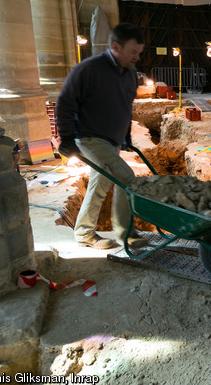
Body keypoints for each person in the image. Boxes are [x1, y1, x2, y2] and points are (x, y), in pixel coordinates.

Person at [56, 23, 148, 250]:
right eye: (133, 52)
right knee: (128, 179)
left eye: (139, 52)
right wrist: (66, 138)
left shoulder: (130, 74)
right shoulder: (88, 69)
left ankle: (84, 233)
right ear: (116, 47)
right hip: (90, 138)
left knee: (99, 186)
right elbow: (65, 103)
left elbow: (125, 106)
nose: (137, 57)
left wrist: (125, 136)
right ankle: (126, 232)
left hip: (112, 142)